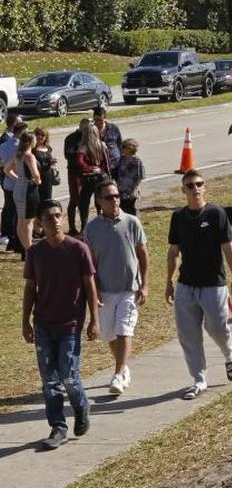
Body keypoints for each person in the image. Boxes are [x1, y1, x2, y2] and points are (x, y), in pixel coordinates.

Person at [23, 199, 99, 450]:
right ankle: (58, 426)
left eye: (58, 215)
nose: (55, 220)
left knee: (68, 376)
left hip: (71, 324)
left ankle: (81, 405)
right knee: (50, 381)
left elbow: (89, 286)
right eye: (48, 217)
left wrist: (94, 322)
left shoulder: (78, 249)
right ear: (39, 224)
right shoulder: (35, 253)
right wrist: (25, 322)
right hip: (44, 324)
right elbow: (30, 289)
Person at [165, 170, 232, 401]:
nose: (195, 189)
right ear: (183, 191)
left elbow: (228, 247)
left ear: (205, 187)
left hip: (213, 284)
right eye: (190, 186)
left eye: (199, 184)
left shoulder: (216, 213)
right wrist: (169, 282)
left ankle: (229, 353)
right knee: (188, 334)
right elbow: (173, 251)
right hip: (186, 285)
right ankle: (199, 380)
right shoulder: (178, 217)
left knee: (217, 327)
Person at [84, 179, 148, 396]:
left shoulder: (132, 222)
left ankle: (119, 373)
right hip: (105, 291)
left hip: (129, 289)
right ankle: (123, 367)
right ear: (99, 201)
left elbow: (142, 254)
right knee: (110, 335)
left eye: (117, 195)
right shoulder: (92, 229)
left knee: (124, 330)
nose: (115, 200)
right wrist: (94, 290)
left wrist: (145, 285)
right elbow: (90, 263)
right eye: (109, 197)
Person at [4, 130, 41, 256]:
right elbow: (35, 174)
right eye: (35, 139)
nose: (36, 141)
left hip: (18, 188)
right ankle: (29, 249)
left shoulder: (17, 154)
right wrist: (38, 181)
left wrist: (17, 178)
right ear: (31, 141)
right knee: (29, 222)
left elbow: (6, 169)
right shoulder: (29, 156)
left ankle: (25, 247)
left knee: (21, 221)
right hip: (28, 190)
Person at [76, 122, 110, 232]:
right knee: (100, 200)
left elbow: (79, 163)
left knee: (84, 202)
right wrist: (100, 169)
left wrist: (89, 168)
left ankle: (84, 226)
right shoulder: (102, 145)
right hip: (101, 176)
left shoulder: (83, 147)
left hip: (89, 178)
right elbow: (107, 162)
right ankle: (102, 220)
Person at [1, 116, 26, 254]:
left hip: (8, 182)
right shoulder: (19, 146)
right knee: (17, 213)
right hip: (17, 182)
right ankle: (14, 238)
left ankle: (11, 237)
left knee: (10, 209)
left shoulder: (4, 145)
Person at [63, 119, 89, 235]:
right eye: (85, 127)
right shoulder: (71, 138)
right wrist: (80, 151)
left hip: (87, 172)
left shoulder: (90, 137)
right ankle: (72, 227)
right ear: (80, 126)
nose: (86, 130)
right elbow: (67, 155)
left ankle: (85, 226)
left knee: (85, 200)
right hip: (74, 172)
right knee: (75, 199)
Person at [92, 105, 123, 176]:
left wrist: (122, 160)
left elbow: (120, 144)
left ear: (105, 118)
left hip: (116, 163)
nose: (98, 123)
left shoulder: (113, 128)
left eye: (101, 120)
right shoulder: (91, 131)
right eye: (96, 120)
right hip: (101, 165)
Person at [32, 127, 57, 204]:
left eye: (43, 135)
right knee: (38, 199)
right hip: (37, 176)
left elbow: (49, 160)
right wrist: (49, 162)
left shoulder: (48, 148)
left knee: (47, 198)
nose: (40, 137)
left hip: (48, 176)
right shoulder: (32, 149)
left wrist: (53, 161)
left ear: (46, 137)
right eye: (38, 134)